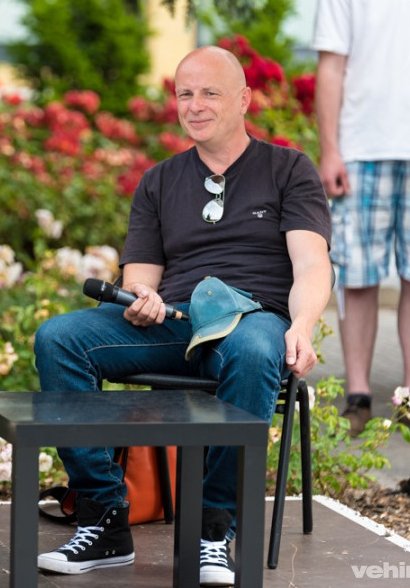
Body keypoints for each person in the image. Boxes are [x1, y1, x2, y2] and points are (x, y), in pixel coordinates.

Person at [33, 46, 331, 586]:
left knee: (255, 350)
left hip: (252, 318)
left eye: (209, 93)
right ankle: (104, 516)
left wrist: (302, 328)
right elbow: (141, 274)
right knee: (59, 338)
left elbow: (312, 263)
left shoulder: (288, 169)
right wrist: (141, 297)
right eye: (184, 94)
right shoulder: (160, 180)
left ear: (244, 99)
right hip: (176, 320)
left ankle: (212, 529)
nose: (194, 105)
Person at [313, 0, 410, 438]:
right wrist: (330, 151)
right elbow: (330, 67)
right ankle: (358, 396)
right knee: (358, 276)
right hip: (361, 148)